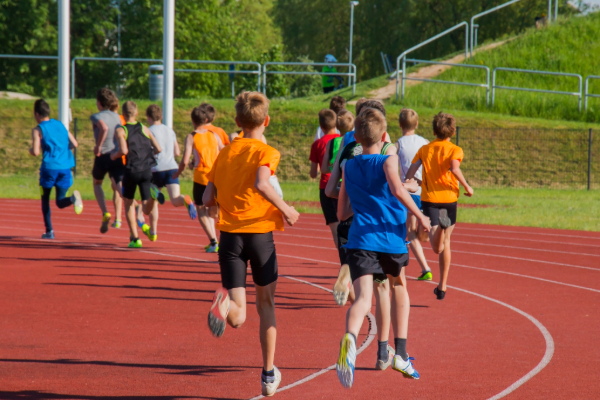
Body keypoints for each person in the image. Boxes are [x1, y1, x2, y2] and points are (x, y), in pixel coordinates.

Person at [203, 91, 299, 396]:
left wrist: (220, 203)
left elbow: (206, 197)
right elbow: (261, 183)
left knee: (238, 316)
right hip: (259, 236)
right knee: (266, 305)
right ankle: (268, 375)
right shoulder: (266, 152)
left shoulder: (224, 153)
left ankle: (224, 303)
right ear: (266, 121)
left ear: (237, 121)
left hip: (229, 238)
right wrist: (286, 209)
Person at [336, 108, 431, 388]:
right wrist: (421, 215)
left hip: (360, 241)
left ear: (355, 137)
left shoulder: (348, 167)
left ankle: (349, 338)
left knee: (364, 299)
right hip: (389, 239)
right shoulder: (389, 160)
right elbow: (397, 190)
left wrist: (363, 200)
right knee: (398, 286)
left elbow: (341, 213)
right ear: (385, 135)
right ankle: (400, 354)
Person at [406, 112, 474, 300]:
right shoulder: (455, 150)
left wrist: (413, 183)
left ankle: (441, 228)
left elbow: (411, 173)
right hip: (449, 199)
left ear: (434, 131)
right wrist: (466, 186)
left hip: (430, 200)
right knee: (446, 243)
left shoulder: (424, 149)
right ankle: (442, 286)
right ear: (452, 132)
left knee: (437, 247)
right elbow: (454, 168)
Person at [135, 105, 197, 242]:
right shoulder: (170, 130)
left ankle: (153, 232)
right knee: (175, 199)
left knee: (153, 203)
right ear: (161, 116)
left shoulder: (148, 131)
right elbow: (177, 152)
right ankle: (186, 200)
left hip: (155, 170)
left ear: (148, 117)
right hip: (171, 167)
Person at [110, 101, 162, 248]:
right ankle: (153, 199)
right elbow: (158, 148)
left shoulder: (121, 130)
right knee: (145, 208)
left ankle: (135, 239)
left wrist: (114, 155)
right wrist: (148, 155)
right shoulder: (145, 128)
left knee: (128, 203)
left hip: (131, 171)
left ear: (123, 114)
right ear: (137, 113)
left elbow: (123, 150)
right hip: (146, 170)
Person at [29, 99, 83, 239]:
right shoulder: (60, 124)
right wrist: (62, 150)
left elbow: (36, 152)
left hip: (49, 169)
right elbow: (75, 143)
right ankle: (72, 198)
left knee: (45, 200)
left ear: (37, 114)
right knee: (60, 201)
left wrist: (30, 150)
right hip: (65, 167)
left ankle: (49, 231)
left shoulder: (38, 129)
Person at [173, 106, 224, 253]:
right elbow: (223, 151)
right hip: (215, 176)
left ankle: (213, 241)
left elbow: (184, 160)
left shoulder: (191, 137)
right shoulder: (214, 135)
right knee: (212, 211)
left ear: (192, 121)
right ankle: (218, 241)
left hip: (201, 177)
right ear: (206, 120)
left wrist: (177, 173)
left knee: (201, 210)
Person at [396, 109, 432, 281]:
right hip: (425, 191)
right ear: (417, 124)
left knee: (410, 232)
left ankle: (425, 268)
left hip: (410, 192)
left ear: (400, 125)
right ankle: (429, 229)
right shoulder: (425, 142)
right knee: (421, 228)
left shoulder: (398, 144)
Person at [90, 88, 126, 233]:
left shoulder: (96, 116)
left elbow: (103, 128)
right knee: (118, 184)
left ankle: (105, 212)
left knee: (97, 183)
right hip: (115, 155)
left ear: (99, 102)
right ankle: (134, 204)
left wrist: (98, 146)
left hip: (103, 154)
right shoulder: (118, 117)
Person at [309, 109, 341, 247]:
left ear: (321, 127)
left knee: (335, 227)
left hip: (326, 186)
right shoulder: (344, 140)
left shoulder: (317, 144)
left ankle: (342, 257)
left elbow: (313, 173)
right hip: (343, 184)